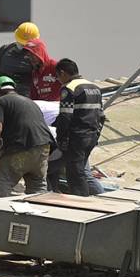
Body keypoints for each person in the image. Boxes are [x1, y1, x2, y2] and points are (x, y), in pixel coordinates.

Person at [0, 76, 54, 197]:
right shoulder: (30, 102)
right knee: (37, 188)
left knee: (3, 184)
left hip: (20, 148)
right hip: (43, 148)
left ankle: (0, 214)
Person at [50, 59, 104, 197]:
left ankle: (81, 204)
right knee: (82, 171)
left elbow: (65, 116)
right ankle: (94, 198)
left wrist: (61, 139)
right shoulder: (95, 88)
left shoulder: (69, 88)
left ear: (62, 73)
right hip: (91, 136)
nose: (58, 80)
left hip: (76, 137)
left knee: (75, 174)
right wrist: (96, 134)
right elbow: (101, 116)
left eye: (57, 76)